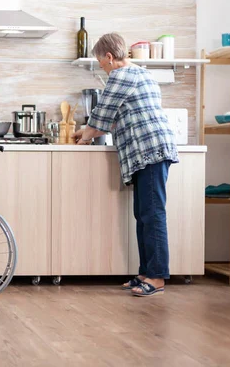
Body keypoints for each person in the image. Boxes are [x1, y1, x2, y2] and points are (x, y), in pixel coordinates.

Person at [72, 33, 179, 297]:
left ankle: (156, 278)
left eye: (101, 63)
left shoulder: (120, 76)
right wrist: (86, 132)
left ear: (109, 57)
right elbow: (112, 118)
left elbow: (102, 117)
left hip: (149, 149)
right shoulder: (141, 73)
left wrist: (84, 136)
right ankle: (146, 273)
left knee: (152, 215)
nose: (102, 68)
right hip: (149, 149)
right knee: (144, 216)